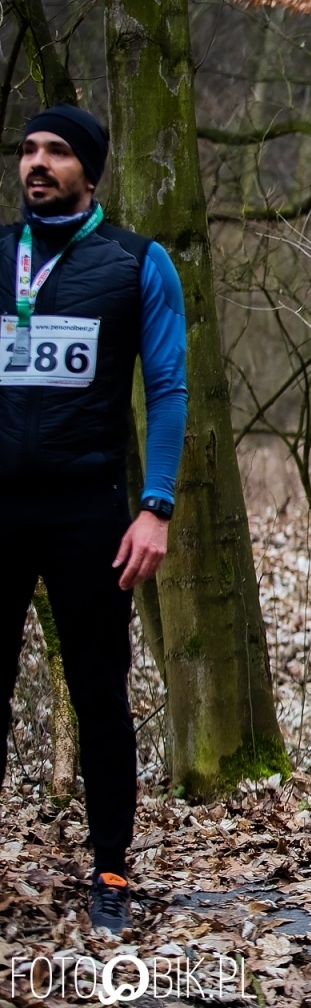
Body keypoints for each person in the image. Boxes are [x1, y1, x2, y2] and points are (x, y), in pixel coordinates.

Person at [0, 105, 189, 934]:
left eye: (58, 152)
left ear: (91, 169)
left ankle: (110, 869)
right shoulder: (0, 254)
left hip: (90, 513)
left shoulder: (137, 261)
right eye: (29, 149)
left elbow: (170, 389)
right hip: (2, 507)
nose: (37, 163)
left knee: (100, 698)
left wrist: (156, 506)